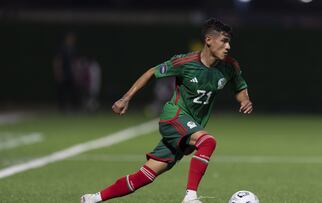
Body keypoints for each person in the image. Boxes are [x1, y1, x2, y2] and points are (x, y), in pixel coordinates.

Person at [80, 18, 253, 203]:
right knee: (208, 142)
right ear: (209, 40)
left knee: (146, 175)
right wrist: (126, 98)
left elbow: (239, 86)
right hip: (174, 117)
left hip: (191, 126)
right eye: (224, 41)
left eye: (229, 42)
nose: (228, 46)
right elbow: (151, 72)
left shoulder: (230, 66)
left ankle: (94, 198)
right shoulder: (184, 62)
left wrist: (245, 100)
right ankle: (190, 197)